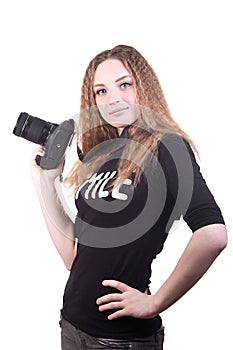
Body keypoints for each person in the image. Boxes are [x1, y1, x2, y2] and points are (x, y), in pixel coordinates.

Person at [30, 44, 227, 350]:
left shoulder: (167, 146)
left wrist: (154, 303)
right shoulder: (105, 154)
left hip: (120, 341)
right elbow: (73, 256)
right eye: (101, 92)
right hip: (72, 327)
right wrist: (45, 180)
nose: (114, 99)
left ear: (143, 87)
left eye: (125, 84)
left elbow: (213, 233)